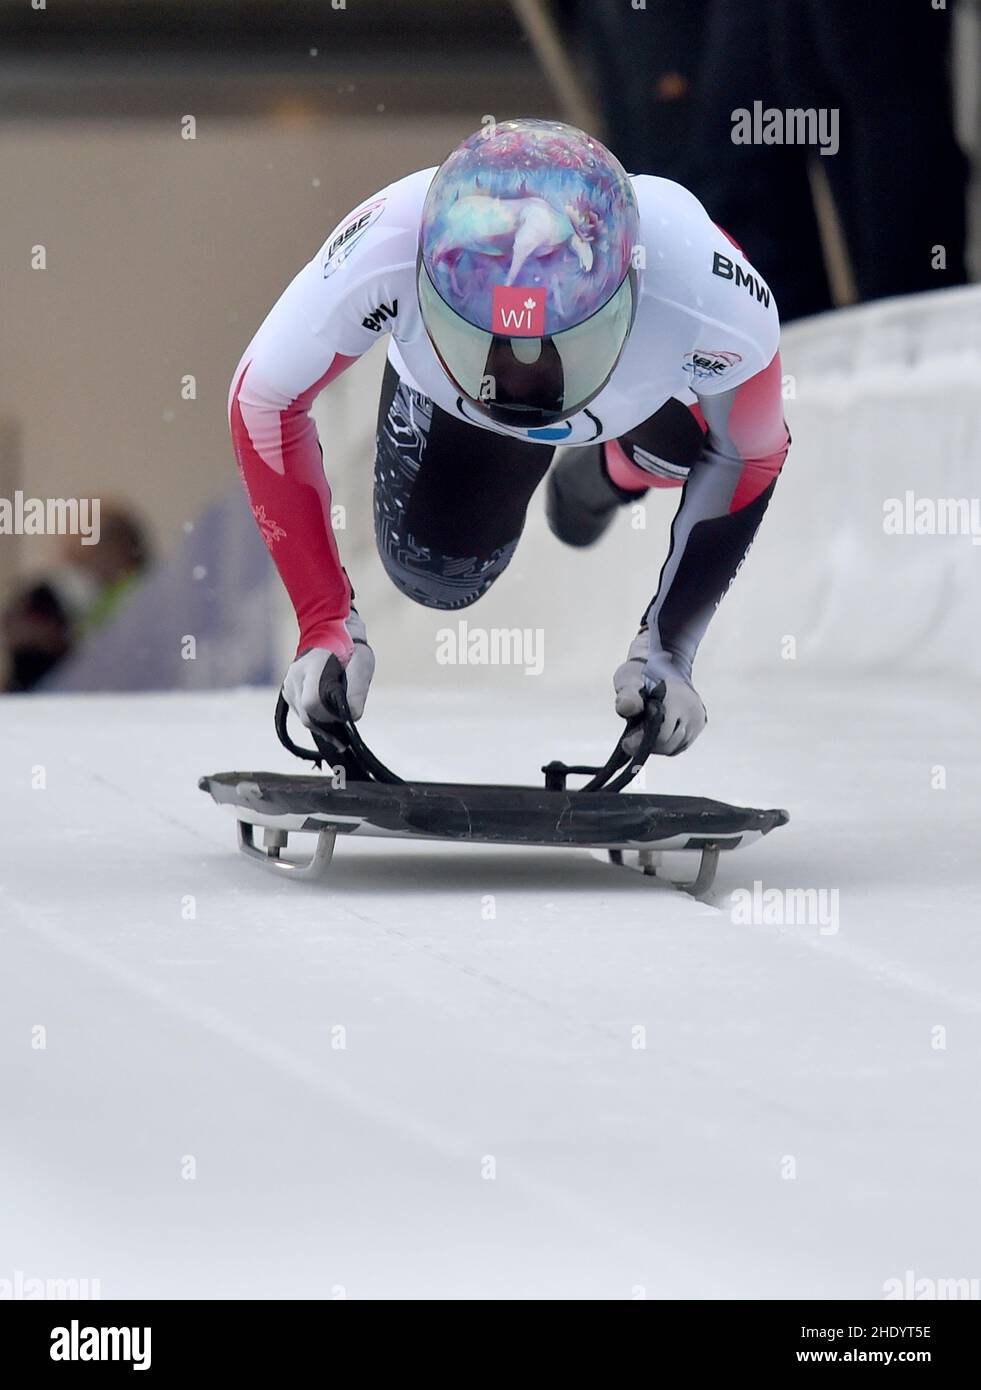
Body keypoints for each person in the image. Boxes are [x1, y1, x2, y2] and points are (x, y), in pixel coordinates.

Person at [230, 119, 790, 757]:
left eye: (557, 343)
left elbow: (751, 452)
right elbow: (263, 398)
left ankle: (608, 474)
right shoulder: (387, 241)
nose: (518, 378)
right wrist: (323, 621)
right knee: (436, 575)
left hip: (628, 398)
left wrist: (669, 651)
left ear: (630, 293)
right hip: (473, 408)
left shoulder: (709, 293)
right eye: (483, 338)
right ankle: (608, 459)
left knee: (700, 442)